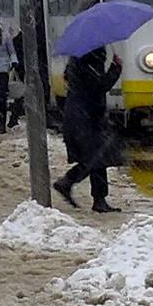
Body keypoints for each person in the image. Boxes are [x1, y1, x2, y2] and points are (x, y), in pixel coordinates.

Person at [56, 41, 119, 211]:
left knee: (97, 157)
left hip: (83, 114)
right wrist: (116, 68)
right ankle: (67, 182)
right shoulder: (91, 60)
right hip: (85, 116)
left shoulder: (78, 59)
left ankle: (98, 199)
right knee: (95, 158)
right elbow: (99, 86)